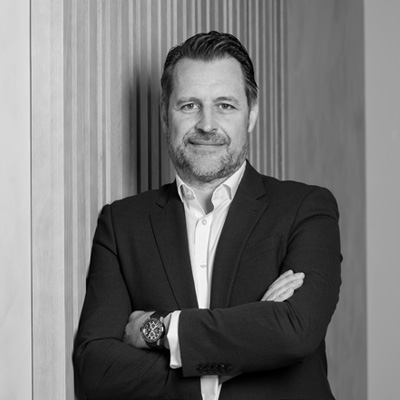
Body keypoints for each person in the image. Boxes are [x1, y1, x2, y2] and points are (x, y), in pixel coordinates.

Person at [74, 31, 341, 400]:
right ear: (165, 115)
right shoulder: (121, 224)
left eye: (225, 105)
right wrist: (229, 359)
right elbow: (95, 368)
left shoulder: (305, 209)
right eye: (189, 105)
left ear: (252, 114)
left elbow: (294, 331)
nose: (207, 125)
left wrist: (160, 329)